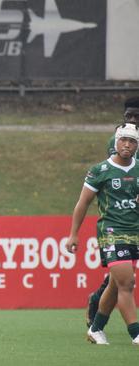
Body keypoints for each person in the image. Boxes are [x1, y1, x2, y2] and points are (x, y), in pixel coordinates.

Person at [66, 123, 139, 345]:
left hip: (134, 232)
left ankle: (96, 329)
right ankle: (136, 333)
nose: (127, 144)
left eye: (132, 141)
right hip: (111, 231)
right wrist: (73, 234)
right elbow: (83, 203)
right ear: (115, 142)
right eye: (123, 140)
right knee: (126, 283)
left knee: (116, 284)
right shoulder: (100, 170)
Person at [86, 96, 139, 328]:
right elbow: (117, 175)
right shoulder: (118, 141)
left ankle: (97, 324)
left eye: (137, 116)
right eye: (128, 116)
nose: (132, 120)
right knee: (123, 279)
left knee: (122, 280)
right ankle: (101, 311)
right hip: (121, 220)